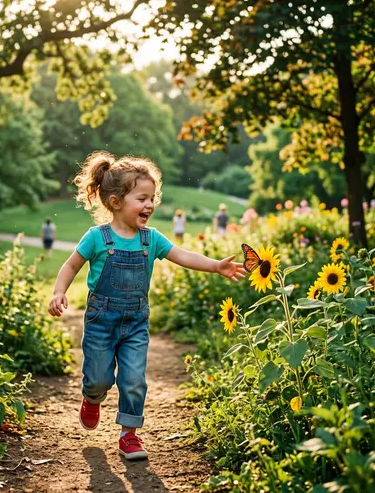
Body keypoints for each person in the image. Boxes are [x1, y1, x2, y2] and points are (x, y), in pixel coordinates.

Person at [48, 151, 246, 461]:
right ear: (116, 202)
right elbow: (71, 266)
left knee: (134, 379)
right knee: (99, 377)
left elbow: (183, 255)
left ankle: (129, 434)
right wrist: (59, 292)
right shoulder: (97, 238)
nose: (150, 205)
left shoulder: (150, 239)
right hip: (101, 322)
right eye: (142, 198)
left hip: (136, 324)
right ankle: (92, 396)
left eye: (152, 198)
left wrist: (215, 266)